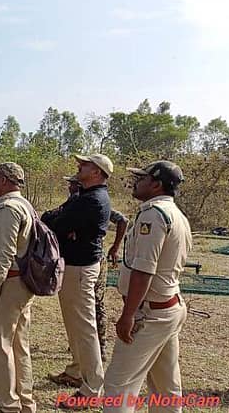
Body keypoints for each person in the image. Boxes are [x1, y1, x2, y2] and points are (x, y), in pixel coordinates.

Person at [103, 161, 190, 413]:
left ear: (156, 184)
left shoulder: (153, 214)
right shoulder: (177, 214)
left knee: (118, 386)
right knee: (165, 386)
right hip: (169, 307)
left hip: (150, 313)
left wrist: (129, 314)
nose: (136, 182)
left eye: (141, 178)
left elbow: (144, 270)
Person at [43, 154, 112, 405]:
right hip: (74, 266)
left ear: (97, 172)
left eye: (85, 165)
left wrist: (63, 225)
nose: (79, 166)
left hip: (81, 269)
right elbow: (52, 219)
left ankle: (92, 389)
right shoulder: (84, 196)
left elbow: (57, 223)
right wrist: (62, 224)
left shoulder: (93, 200)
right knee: (74, 324)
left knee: (84, 328)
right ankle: (75, 371)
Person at [47, 175, 130, 362]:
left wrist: (115, 247)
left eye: (73, 183)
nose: (70, 186)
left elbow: (122, 220)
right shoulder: (74, 202)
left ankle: (99, 349)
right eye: (70, 183)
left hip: (93, 259)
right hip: (77, 260)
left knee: (96, 303)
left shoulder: (92, 201)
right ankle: (81, 349)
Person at [0, 162, 36, 413]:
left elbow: (5, 253)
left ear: (4, 180)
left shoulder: (8, 208)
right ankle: (24, 402)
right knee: (18, 344)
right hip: (19, 282)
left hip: (9, 283)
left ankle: (8, 406)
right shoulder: (24, 205)